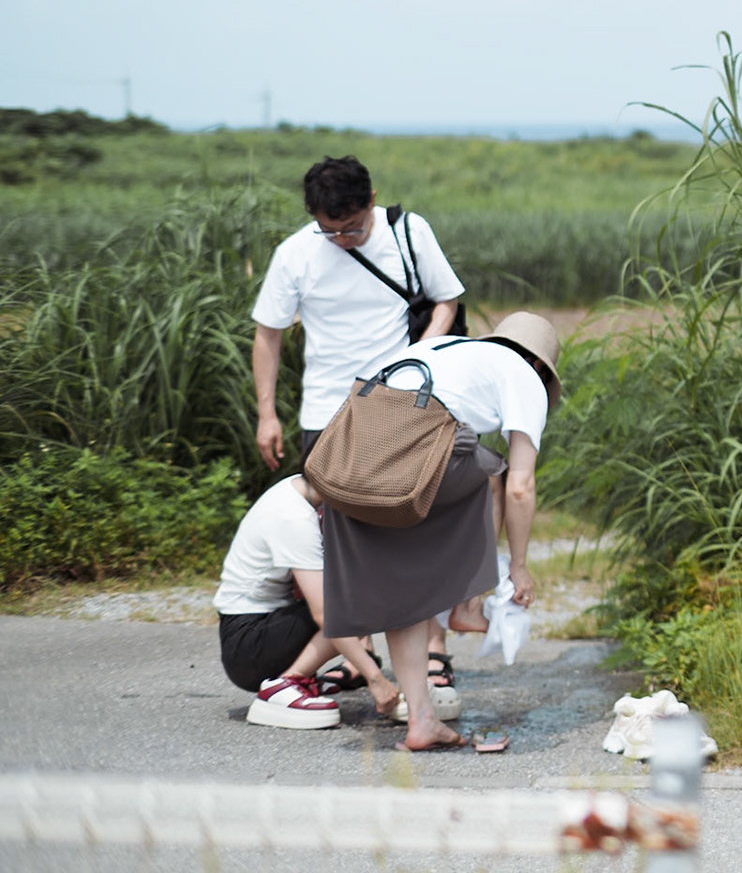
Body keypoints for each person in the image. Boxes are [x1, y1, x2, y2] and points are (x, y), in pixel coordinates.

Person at [250, 154, 470, 707]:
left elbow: (448, 299)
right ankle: (363, 659)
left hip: (400, 407)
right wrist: (266, 412)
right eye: (331, 230)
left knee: (414, 528)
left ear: (372, 201)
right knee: (340, 544)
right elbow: (268, 335)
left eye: (353, 227)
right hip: (326, 413)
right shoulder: (296, 254)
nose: (344, 239)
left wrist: (423, 353)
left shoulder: (408, 230)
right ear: (313, 218)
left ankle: (434, 648)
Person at [321, 311, 559, 753]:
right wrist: (520, 567)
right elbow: (522, 487)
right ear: (541, 366)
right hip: (405, 450)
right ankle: (470, 602)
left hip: (347, 459)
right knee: (491, 472)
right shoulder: (524, 376)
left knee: (404, 591)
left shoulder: (442, 349)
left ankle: (422, 720)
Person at [215, 472, 401, 729]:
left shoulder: (295, 490)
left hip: (258, 630)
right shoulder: (294, 518)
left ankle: (296, 677)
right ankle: (288, 682)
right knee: (357, 599)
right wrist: (377, 680)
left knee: (361, 590)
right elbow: (326, 614)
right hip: (249, 648)